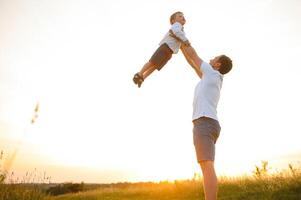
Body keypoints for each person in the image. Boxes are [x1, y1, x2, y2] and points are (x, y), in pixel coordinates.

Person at [180, 43, 232, 200]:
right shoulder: (210, 77)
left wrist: (180, 36)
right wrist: (181, 48)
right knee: (206, 165)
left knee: (207, 165)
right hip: (207, 123)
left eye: (214, 58)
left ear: (217, 64)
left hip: (204, 122)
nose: (211, 59)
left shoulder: (212, 73)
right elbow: (192, 62)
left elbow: (194, 55)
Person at [132, 11, 191, 88]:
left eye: (183, 16)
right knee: (152, 62)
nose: (182, 17)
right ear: (173, 21)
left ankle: (143, 78)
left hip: (169, 52)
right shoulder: (177, 25)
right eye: (180, 16)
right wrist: (186, 40)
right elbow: (177, 32)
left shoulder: (181, 29)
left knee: (156, 66)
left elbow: (178, 39)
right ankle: (139, 74)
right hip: (165, 47)